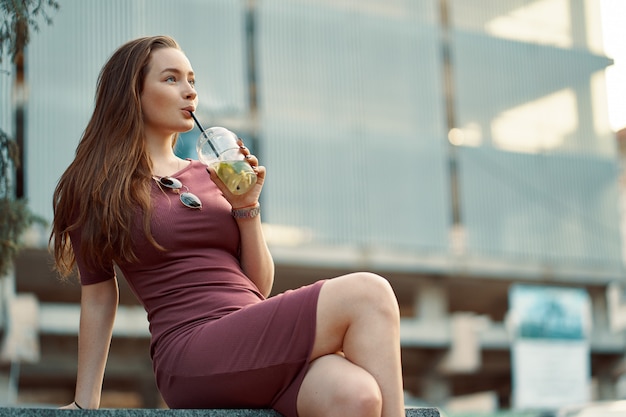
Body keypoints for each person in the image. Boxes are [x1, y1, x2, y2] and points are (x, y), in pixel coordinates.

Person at [50, 35, 404, 417]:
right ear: (132, 93)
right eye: (171, 79)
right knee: (370, 293)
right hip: (190, 352)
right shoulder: (98, 187)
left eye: (192, 81)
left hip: (251, 339)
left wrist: (247, 208)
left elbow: (258, 286)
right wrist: (86, 402)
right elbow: (100, 295)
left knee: (357, 396)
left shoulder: (213, 173)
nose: (189, 92)